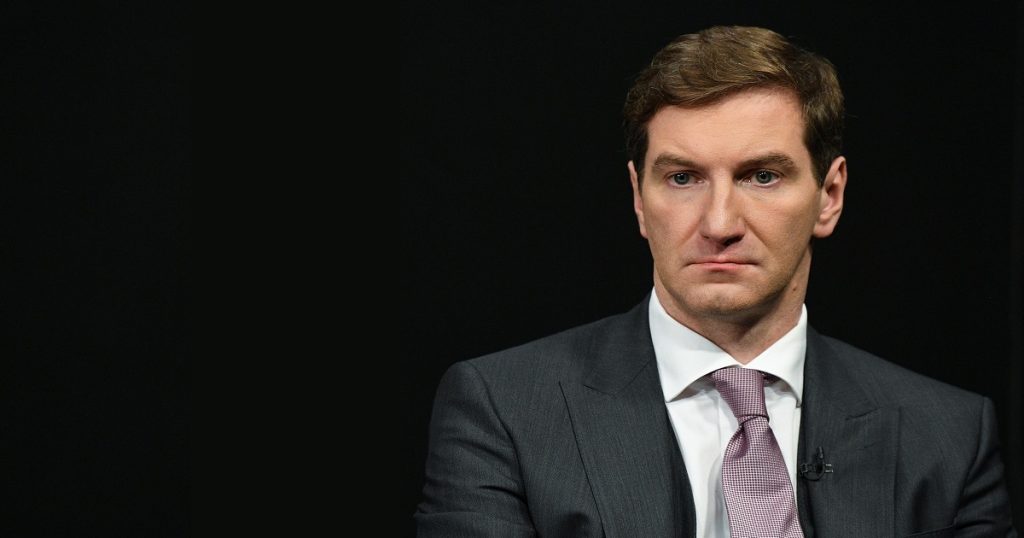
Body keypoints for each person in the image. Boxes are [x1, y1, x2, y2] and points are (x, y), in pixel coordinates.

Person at [414, 25, 1016, 537]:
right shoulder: (504, 411)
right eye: (682, 178)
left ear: (829, 195)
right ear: (639, 199)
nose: (720, 224)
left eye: (761, 176)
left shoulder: (949, 438)